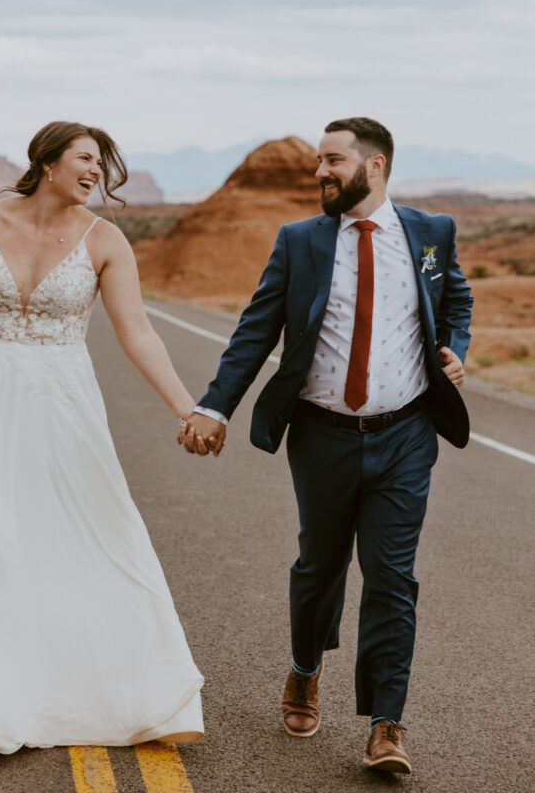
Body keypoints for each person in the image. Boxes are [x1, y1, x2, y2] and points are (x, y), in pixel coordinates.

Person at [0, 121, 203, 753]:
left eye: (103, 165)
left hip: (64, 400)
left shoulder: (107, 241)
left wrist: (185, 408)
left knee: (88, 525)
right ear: (47, 162)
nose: (97, 173)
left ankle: (103, 671)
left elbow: (138, 334)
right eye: (85, 159)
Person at [178, 117, 472, 775]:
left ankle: (384, 724)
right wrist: (213, 405)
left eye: (332, 160)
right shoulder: (300, 242)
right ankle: (305, 669)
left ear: (373, 167)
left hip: (405, 434)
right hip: (321, 435)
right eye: (318, 161)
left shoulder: (430, 233)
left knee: (392, 579)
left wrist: (456, 345)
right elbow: (255, 332)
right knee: (320, 567)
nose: (319, 172)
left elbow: (455, 293)